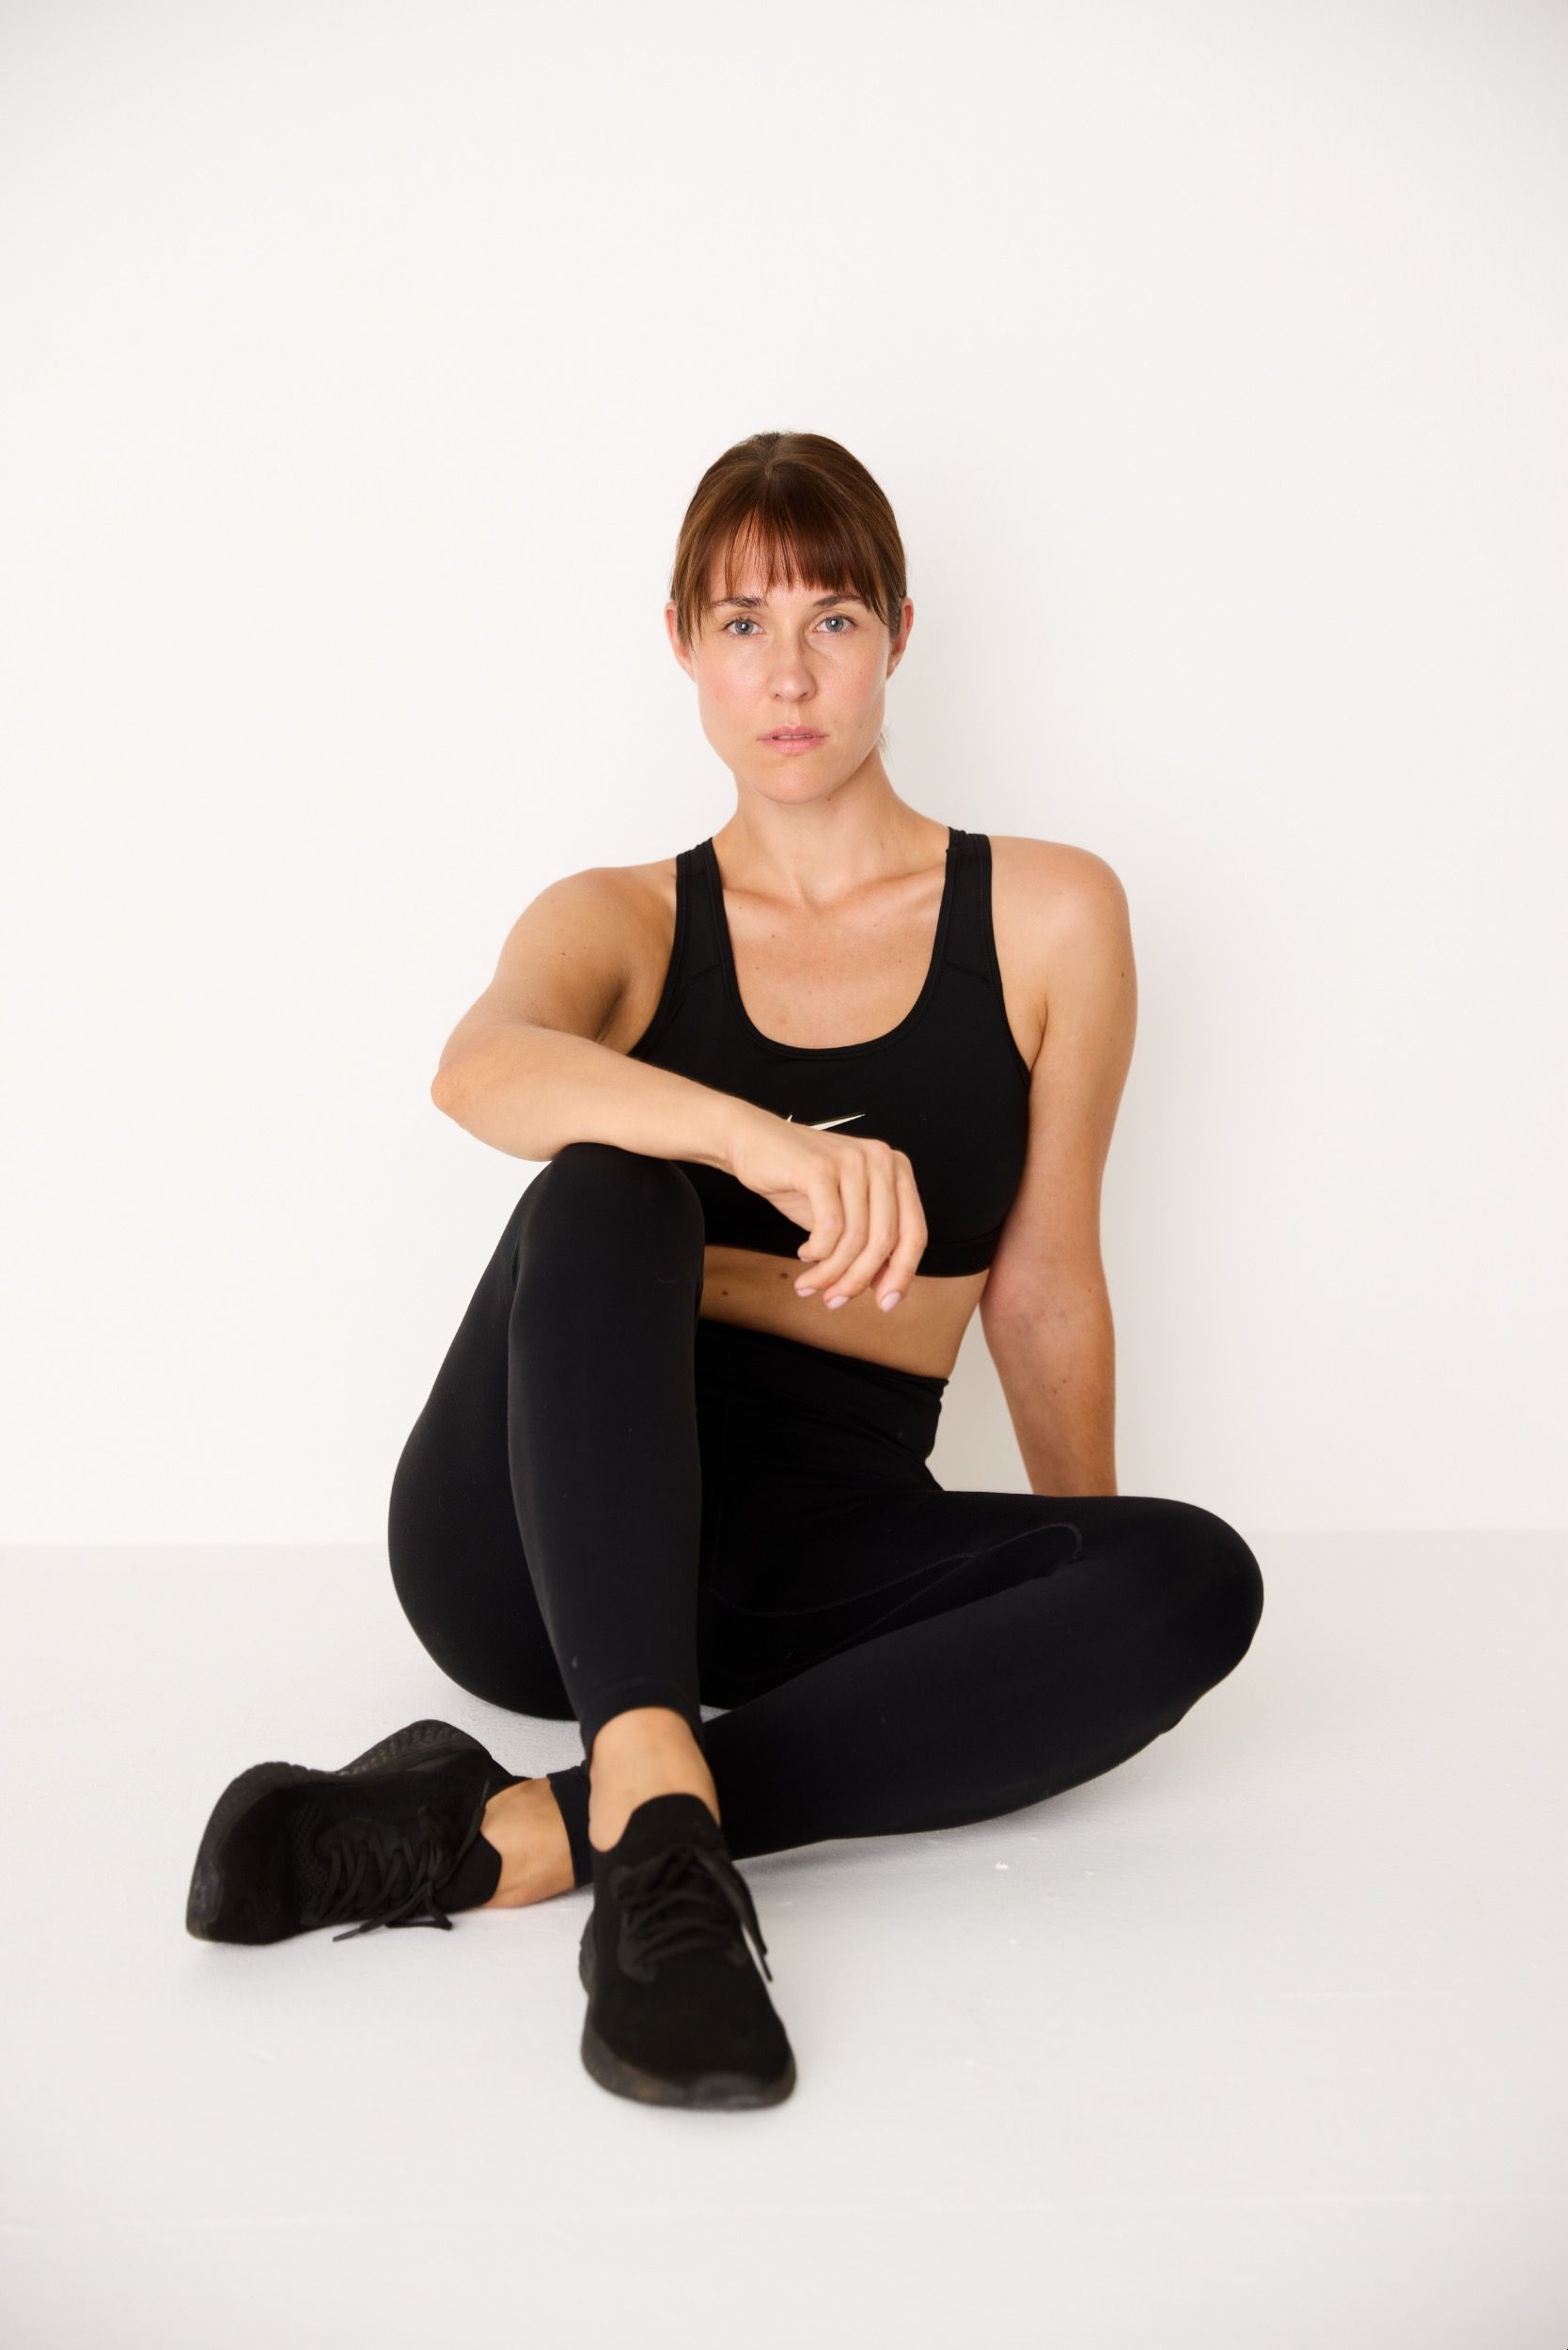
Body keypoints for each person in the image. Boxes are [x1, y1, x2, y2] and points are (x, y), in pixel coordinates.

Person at [185, 429, 1264, 2112]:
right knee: (609, 1182)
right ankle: (657, 1854)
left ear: (899, 635)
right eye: (744, 624)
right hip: (536, 1553)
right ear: (683, 644)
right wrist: (758, 1147)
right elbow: (480, 1070)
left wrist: (1060, 1600)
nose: (790, 673)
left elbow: (1045, 1279)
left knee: (1194, 1576)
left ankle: (547, 1826)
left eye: (833, 620)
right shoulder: (618, 919)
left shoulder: (1048, 915)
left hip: (810, 1552)